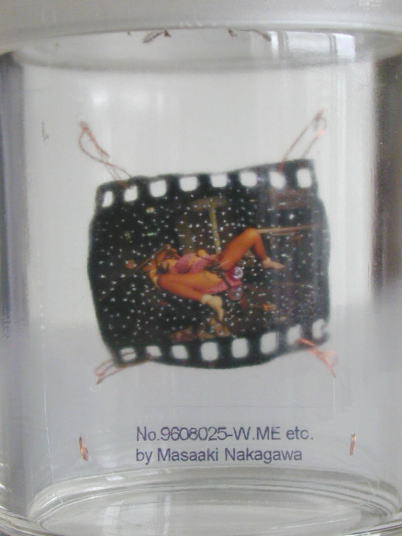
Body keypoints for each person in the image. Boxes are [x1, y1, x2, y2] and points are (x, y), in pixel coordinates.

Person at [136, 228, 284, 321]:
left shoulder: (184, 257)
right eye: (165, 264)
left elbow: (170, 252)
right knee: (162, 280)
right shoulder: (175, 272)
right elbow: (157, 276)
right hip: (212, 274)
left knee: (251, 233)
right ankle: (210, 301)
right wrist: (157, 267)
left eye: (169, 259)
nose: (168, 261)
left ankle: (266, 261)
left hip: (219, 263)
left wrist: (200, 254)